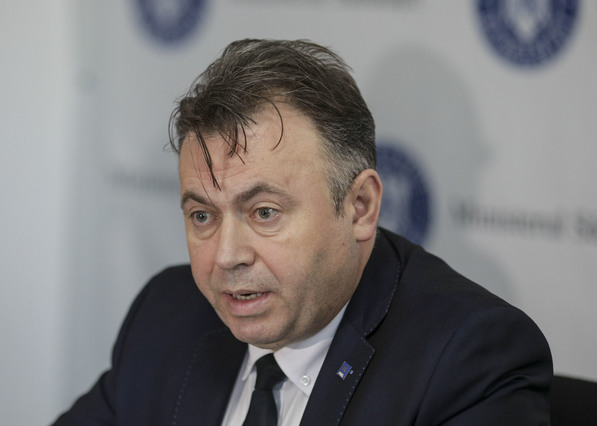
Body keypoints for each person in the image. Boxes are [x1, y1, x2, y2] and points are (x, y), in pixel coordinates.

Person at [52, 39, 552, 425]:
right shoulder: (167, 315)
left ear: (360, 207)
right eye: (203, 216)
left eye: (264, 212)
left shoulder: (468, 359)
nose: (226, 256)